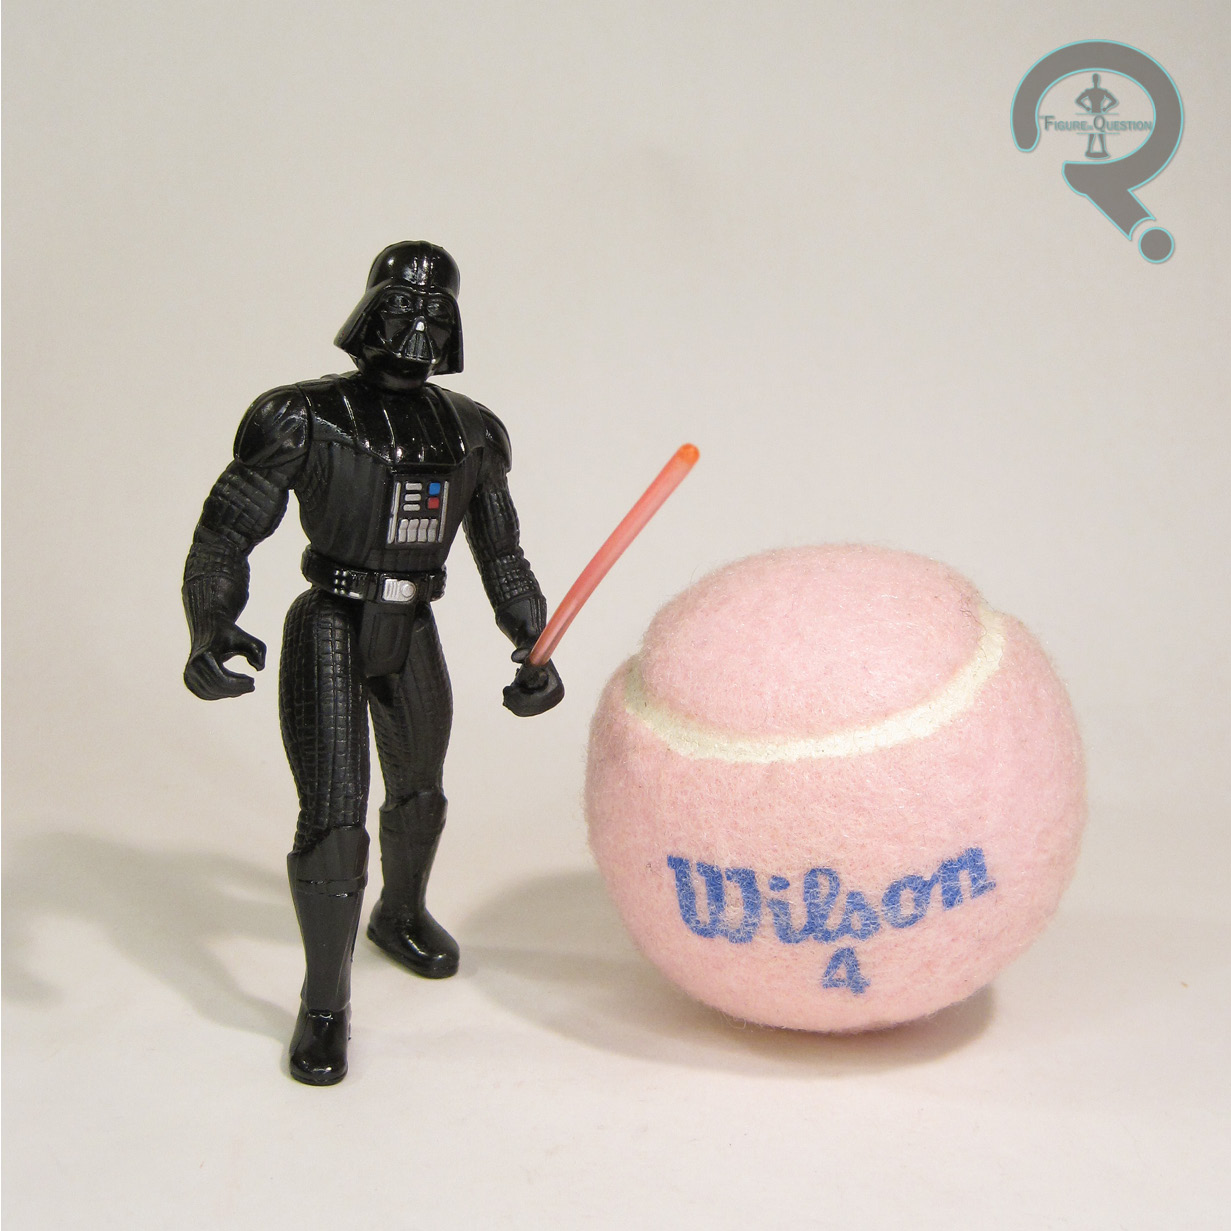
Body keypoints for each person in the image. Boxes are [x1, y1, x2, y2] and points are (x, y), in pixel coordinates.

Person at [182, 241, 563, 1084]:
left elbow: (501, 552)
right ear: (368, 312)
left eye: (435, 314)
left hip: (413, 623)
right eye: (400, 308)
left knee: (420, 789)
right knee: (334, 817)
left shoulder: (472, 431)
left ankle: (399, 911)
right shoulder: (301, 416)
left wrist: (531, 640)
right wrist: (211, 622)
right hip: (330, 618)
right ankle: (325, 1003)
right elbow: (227, 531)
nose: (417, 328)